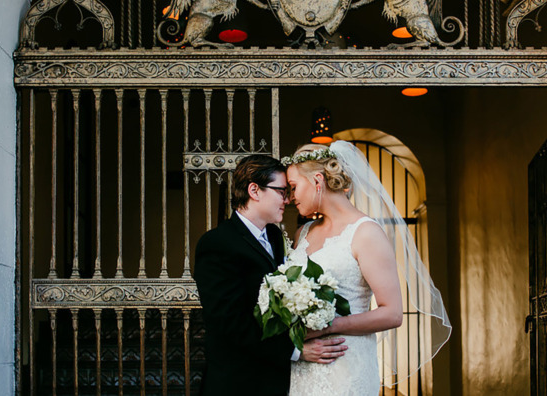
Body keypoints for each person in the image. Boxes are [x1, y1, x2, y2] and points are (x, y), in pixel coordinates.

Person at [283, 142, 451, 395]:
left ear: (318, 180)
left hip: (346, 367)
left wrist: (330, 326)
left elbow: (392, 314)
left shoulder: (366, 233)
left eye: (294, 187)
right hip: (303, 369)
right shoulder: (302, 233)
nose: (290, 197)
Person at [193, 154, 348, 396]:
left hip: (275, 381)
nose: (287, 200)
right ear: (255, 190)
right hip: (237, 383)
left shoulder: (276, 237)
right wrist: (295, 350)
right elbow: (230, 324)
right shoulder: (217, 243)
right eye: (281, 191)